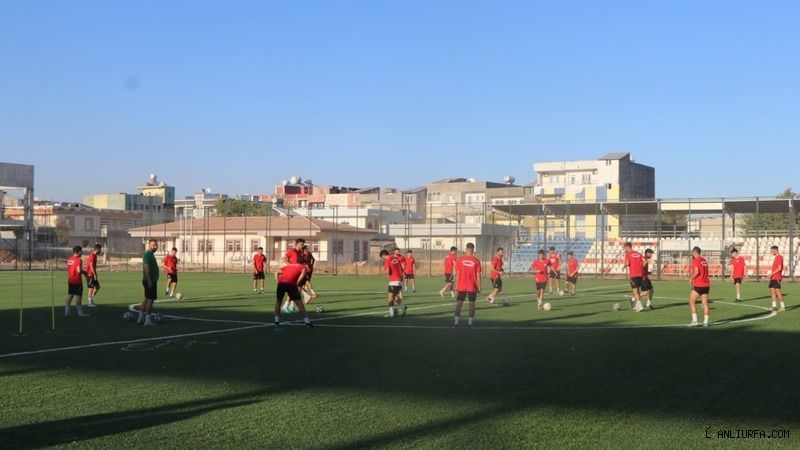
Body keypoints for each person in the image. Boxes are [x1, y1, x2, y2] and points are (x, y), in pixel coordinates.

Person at [272, 262, 314, 332]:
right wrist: (296, 284)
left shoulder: (289, 266)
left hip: (281, 284)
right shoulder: (303, 268)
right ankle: (308, 323)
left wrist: (278, 282)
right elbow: (301, 277)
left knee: (278, 302)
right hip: (291, 285)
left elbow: (276, 272)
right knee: (300, 304)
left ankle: (276, 322)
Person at [453, 243, 481, 329]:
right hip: (472, 285)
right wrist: (479, 286)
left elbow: (457, 274)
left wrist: (456, 285)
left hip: (461, 285)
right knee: (472, 305)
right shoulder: (476, 261)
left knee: (459, 304)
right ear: (473, 250)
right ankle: (470, 324)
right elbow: (478, 275)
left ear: (466, 249)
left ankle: (456, 324)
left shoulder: (460, 260)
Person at [688, 246, 711, 327]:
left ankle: (695, 321)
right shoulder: (704, 260)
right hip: (706, 284)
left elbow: (697, 271)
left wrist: (691, 278)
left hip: (699, 284)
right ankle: (706, 322)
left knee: (691, 302)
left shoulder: (695, 260)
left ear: (694, 252)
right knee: (705, 303)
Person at [139, 239, 160, 326]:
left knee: (147, 298)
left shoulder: (150, 255)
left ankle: (140, 318)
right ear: (149, 245)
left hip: (150, 280)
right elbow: (146, 268)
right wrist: (150, 281)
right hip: (150, 281)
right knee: (150, 300)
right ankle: (147, 320)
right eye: (153, 245)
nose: (155, 246)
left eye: (156, 245)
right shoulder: (147, 255)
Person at [65, 245, 90, 318]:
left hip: (70, 280)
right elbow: (79, 270)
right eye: (81, 251)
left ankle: (67, 312)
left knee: (70, 295)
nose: (82, 253)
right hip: (77, 281)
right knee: (78, 296)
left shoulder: (69, 259)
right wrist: (85, 273)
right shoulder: (79, 260)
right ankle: (80, 313)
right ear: (79, 252)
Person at [381, 249, 407, 317]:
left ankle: (391, 313)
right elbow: (401, 268)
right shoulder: (396, 258)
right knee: (394, 296)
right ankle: (403, 306)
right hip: (400, 280)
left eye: (382, 258)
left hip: (394, 281)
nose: (383, 259)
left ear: (383, 255)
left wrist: (384, 271)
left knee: (390, 296)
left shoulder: (388, 260)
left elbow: (388, 271)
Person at [623, 242, 645, 312]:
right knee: (637, 290)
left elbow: (627, 263)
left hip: (633, 274)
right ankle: (636, 304)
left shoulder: (628, 254)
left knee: (635, 290)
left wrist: (624, 267)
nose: (624, 249)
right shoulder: (639, 254)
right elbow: (645, 262)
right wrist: (641, 268)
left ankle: (639, 305)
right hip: (640, 274)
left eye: (624, 248)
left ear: (627, 247)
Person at [769, 246, 786, 312]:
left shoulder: (779, 257)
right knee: (772, 291)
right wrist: (771, 275)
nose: (771, 252)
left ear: (775, 250)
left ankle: (782, 307)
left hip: (777, 277)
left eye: (771, 251)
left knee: (778, 292)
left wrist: (772, 273)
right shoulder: (776, 258)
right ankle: (774, 306)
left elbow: (779, 268)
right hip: (773, 277)